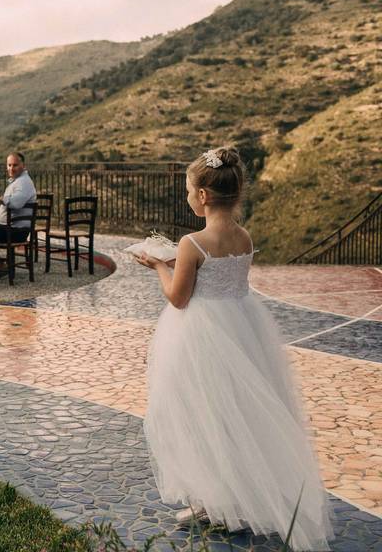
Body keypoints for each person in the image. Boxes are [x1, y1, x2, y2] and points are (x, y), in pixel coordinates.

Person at [136, 148, 332, 550]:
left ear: (203, 196)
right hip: (242, 329)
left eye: (189, 190)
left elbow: (178, 297)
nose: (188, 197)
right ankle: (229, 501)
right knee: (235, 415)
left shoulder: (191, 242)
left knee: (200, 415)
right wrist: (181, 261)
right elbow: (222, 272)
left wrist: (159, 265)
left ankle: (214, 501)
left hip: (199, 337)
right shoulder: (244, 237)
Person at [0, 152, 36, 276]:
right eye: (9, 165)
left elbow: (15, 203)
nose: (11, 168)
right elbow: (4, 213)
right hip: (9, 227)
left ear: (23, 165)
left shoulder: (23, 183)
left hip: (16, 231)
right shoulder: (16, 182)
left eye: (15, 165)